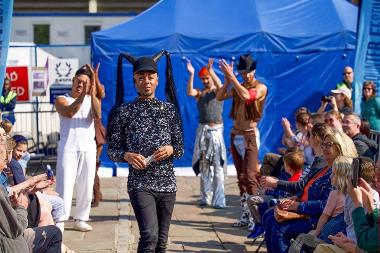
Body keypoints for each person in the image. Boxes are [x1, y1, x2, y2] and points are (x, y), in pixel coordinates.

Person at [107, 51, 184, 253]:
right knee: (149, 235)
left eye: (150, 77)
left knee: (161, 243)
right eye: (141, 77)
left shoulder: (169, 110)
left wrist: (170, 149)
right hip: (140, 184)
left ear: (158, 80)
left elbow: (180, 148)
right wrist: (127, 155)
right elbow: (112, 150)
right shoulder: (124, 111)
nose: (146, 82)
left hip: (167, 185)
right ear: (134, 80)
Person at [216, 54, 268, 227]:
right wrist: (227, 80)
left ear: (253, 70)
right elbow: (220, 96)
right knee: (241, 177)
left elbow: (247, 97)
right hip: (235, 134)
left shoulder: (261, 87)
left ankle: (257, 218)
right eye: (242, 72)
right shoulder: (240, 86)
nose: (245, 75)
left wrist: (233, 77)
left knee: (251, 177)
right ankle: (246, 215)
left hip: (249, 135)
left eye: (247, 72)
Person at [55, 64, 101, 232]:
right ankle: (59, 220)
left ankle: (81, 218)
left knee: (87, 185)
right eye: (78, 81)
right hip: (68, 148)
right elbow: (70, 112)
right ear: (73, 81)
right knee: (64, 185)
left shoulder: (91, 99)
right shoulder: (62, 99)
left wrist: (93, 85)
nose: (81, 84)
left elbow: (97, 115)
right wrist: (83, 95)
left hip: (88, 147)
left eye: (84, 82)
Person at [186, 58, 227, 208]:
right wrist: (191, 74)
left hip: (216, 131)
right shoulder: (200, 93)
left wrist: (212, 71)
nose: (205, 81)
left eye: (206, 78)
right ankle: (205, 197)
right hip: (203, 131)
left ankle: (219, 199)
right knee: (204, 165)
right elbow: (190, 91)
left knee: (217, 166)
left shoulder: (218, 92)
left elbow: (221, 85)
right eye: (202, 79)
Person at [247, 149, 303, 239]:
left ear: (288, 167)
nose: (283, 166)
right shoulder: (289, 173)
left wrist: (269, 189)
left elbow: (283, 195)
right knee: (252, 199)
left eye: (284, 164)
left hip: (279, 202)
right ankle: (259, 225)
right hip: (277, 198)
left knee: (255, 201)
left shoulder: (296, 179)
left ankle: (261, 225)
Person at [92, 64, 106, 207]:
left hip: (96, 131)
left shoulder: (96, 89)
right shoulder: (84, 92)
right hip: (87, 131)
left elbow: (101, 93)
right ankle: (97, 193)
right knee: (92, 166)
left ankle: (96, 194)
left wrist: (95, 75)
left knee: (94, 164)